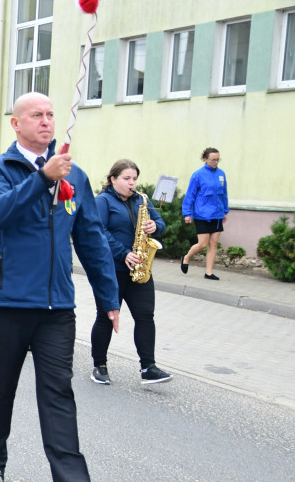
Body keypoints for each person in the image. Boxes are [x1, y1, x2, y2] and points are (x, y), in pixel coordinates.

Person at [0, 92, 120, 482]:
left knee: (58, 393)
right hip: (6, 303)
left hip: (57, 308)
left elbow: (91, 239)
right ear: (16, 124)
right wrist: (42, 179)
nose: (46, 121)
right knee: (0, 389)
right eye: (36, 115)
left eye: (51, 115)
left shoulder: (76, 177)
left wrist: (108, 297)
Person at [90, 159, 173, 386]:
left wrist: (155, 227)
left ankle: (148, 367)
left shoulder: (141, 200)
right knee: (105, 318)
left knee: (146, 317)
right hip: (111, 270)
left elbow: (160, 223)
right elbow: (99, 231)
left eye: (134, 178)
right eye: (126, 178)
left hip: (139, 269)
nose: (132, 183)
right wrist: (123, 253)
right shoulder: (103, 201)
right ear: (113, 179)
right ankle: (100, 366)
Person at [181, 147, 229, 281]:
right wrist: (187, 213)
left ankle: (208, 272)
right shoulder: (198, 175)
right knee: (202, 244)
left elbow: (224, 193)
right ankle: (187, 257)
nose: (216, 162)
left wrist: (225, 210)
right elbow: (190, 195)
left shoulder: (221, 174)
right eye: (213, 159)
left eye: (218, 160)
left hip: (217, 214)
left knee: (213, 243)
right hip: (202, 214)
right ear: (205, 159)